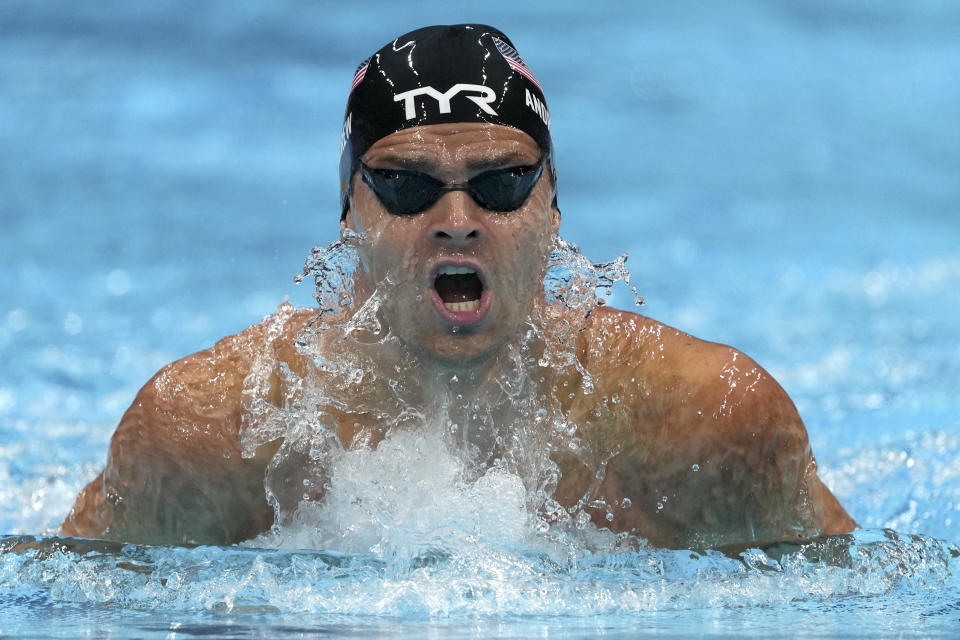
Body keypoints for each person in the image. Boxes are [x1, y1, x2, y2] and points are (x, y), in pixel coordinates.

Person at [61, 24, 855, 550]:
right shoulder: (209, 434)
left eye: (502, 182)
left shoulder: (701, 423)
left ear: (551, 206)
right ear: (351, 213)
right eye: (407, 186)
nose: (457, 218)